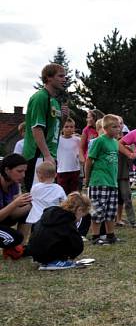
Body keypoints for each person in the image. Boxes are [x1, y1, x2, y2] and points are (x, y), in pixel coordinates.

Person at [22, 63, 69, 191]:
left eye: (65, 76)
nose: (64, 79)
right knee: (35, 198)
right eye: (60, 76)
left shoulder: (54, 101)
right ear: (48, 78)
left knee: (47, 199)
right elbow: (37, 128)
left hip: (50, 155)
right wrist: (46, 155)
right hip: (38, 156)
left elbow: (55, 130)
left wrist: (63, 119)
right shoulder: (40, 97)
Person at [86, 115, 129, 245]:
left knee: (111, 211)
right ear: (105, 128)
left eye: (119, 126)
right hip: (99, 181)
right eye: (114, 127)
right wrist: (87, 178)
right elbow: (89, 159)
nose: (118, 129)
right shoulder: (99, 141)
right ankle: (95, 236)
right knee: (97, 211)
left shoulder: (115, 143)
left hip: (112, 182)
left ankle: (110, 235)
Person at [26, 192, 91, 270]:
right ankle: (55, 261)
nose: (80, 219)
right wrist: (72, 255)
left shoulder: (49, 214)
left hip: (34, 251)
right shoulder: (67, 221)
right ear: (79, 210)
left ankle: (46, 260)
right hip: (48, 253)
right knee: (69, 241)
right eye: (82, 216)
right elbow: (78, 245)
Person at [0, 154, 32, 260]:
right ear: (7, 170)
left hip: (3, 218)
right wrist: (15, 203)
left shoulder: (13, 184)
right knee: (15, 238)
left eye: (24, 171)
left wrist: (32, 205)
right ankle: (13, 246)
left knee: (26, 208)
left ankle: (19, 248)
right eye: (19, 171)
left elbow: (12, 214)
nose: (23, 175)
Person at [24, 161, 67, 237]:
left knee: (35, 238)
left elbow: (31, 198)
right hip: (52, 219)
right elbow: (65, 202)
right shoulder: (59, 188)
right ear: (55, 175)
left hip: (36, 219)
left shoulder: (35, 188)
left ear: (40, 176)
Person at [116, 120, 136, 227]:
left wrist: (131, 152)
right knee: (111, 199)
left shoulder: (126, 145)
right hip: (110, 176)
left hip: (123, 176)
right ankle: (112, 219)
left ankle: (132, 221)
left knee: (127, 198)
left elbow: (132, 161)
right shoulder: (107, 142)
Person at [56, 117, 83, 195]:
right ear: (62, 128)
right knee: (63, 193)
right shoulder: (58, 140)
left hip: (75, 170)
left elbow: (81, 152)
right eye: (66, 127)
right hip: (62, 170)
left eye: (71, 127)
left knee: (74, 193)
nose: (69, 129)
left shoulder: (78, 140)